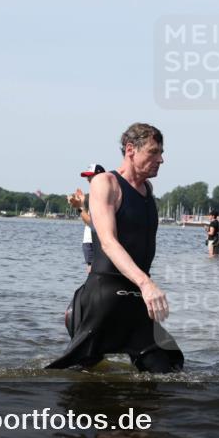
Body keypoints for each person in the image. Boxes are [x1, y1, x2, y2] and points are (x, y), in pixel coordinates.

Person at [47, 123, 183, 373]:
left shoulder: (147, 189)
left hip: (135, 300)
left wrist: (143, 286)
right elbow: (109, 242)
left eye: (161, 153)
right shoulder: (105, 183)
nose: (160, 160)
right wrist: (146, 284)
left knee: (169, 369)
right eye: (153, 152)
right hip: (105, 297)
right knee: (71, 374)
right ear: (130, 149)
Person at [68, 163, 105, 272]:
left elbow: (91, 223)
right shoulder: (96, 195)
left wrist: (79, 207)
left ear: (100, 177)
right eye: (87, 177)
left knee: (93, 273)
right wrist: (81, 203)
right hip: (92, 240)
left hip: (93, 241)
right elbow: (88, 222)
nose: (88, 179)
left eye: (90, 176)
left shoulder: (100, 196)